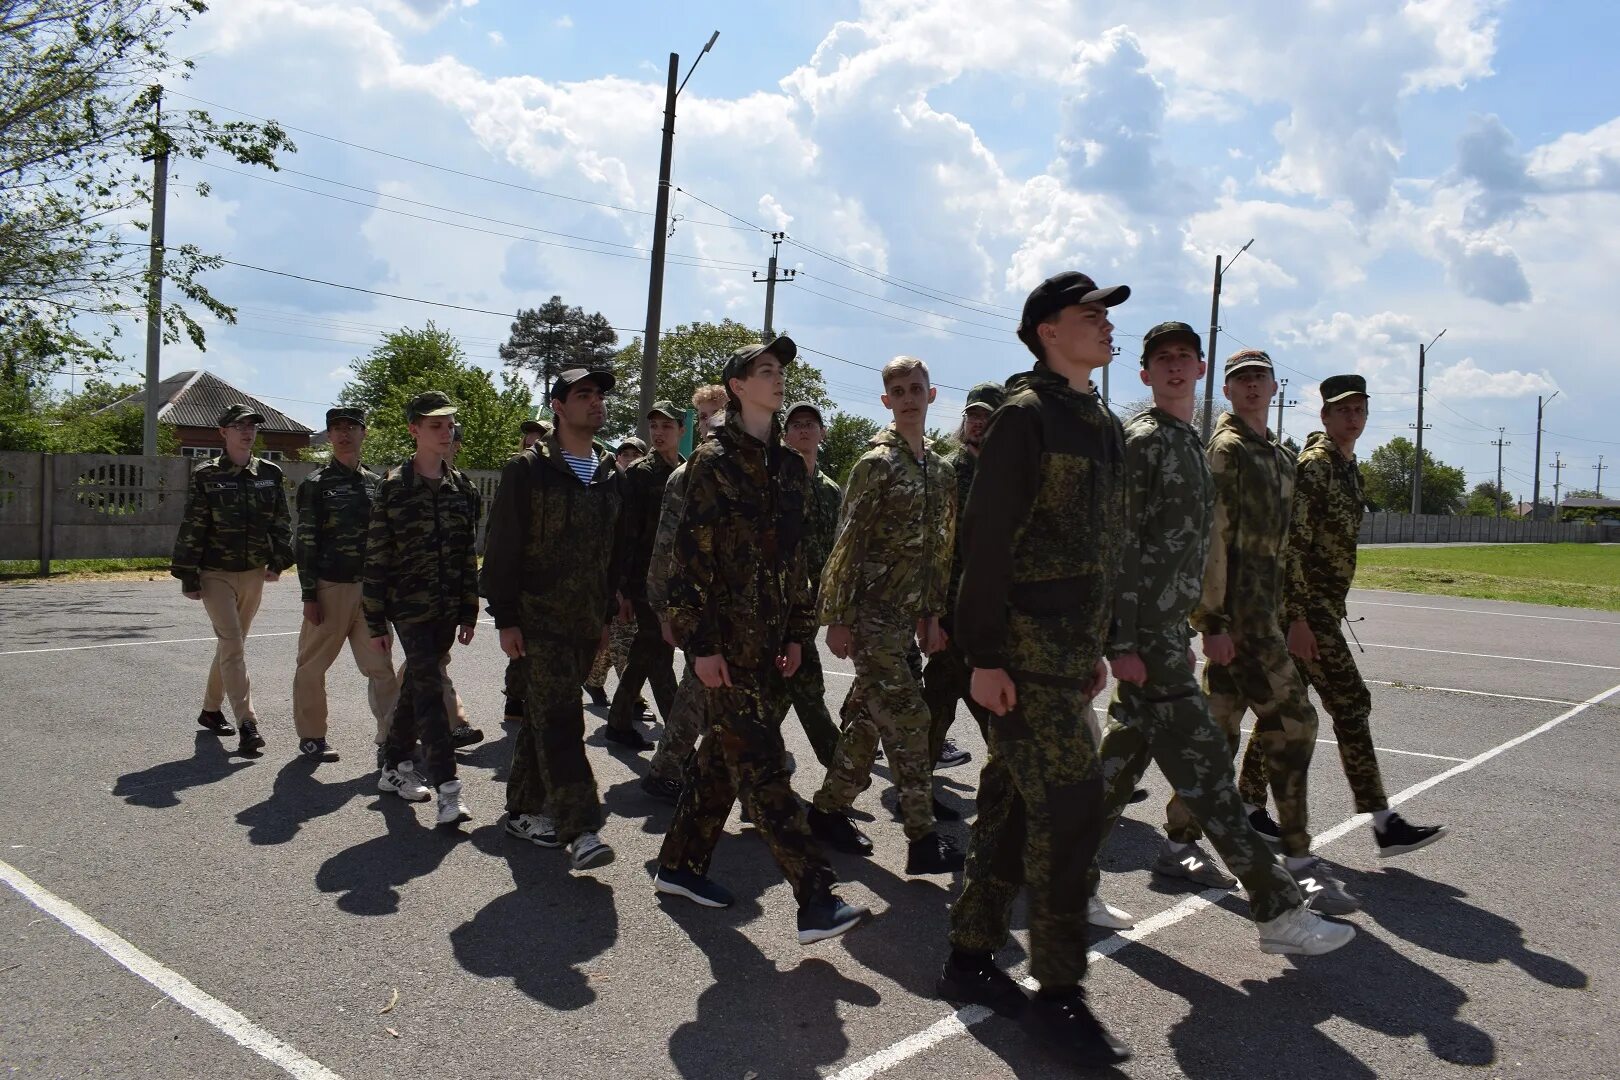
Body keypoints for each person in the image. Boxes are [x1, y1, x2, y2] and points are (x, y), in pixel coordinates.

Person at [1085, 322, 1356, 955]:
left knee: (1118, 769)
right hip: (1144, 639)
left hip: (1164, 634)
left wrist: (1186, 626)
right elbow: (1118, 542)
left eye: (1185, 357)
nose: (1175, 367)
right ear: (1145, 373)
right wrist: (1122, 640)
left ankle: (1060, 881)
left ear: (1199, 370)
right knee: (1207, 767)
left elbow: (1195, 551)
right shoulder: (1146, 442)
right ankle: (1277, 908)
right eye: (1162, 359)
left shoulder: (1187, 441)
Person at [935, 271, 1130, 1067]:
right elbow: (984, 542)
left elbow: (1104, 547)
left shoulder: (1104, 422)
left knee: (1015, 807)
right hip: (1014, 654)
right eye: (1091, 317)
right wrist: (980, 657)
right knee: (1074, 807)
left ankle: (970, 953)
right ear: (1049, 330)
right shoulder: (1026, 417)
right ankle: (1059, 991)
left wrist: (1098, 644)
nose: (1107, 327)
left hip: (1066, 656)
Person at [653, 337, 867, 945]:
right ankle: (815, 895)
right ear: (738, 387)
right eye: (763, 371)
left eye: (780, 371)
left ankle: (678, 866)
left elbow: (795, 561)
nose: (777, 379)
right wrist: (700, 645)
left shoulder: (787, 469)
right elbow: (688, 560)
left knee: (722, 758)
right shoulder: (710, 466)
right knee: (764, 763)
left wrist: (800, 631)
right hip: (724, 644)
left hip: (770, 641)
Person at [1177, 349, 1358, 913]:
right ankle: (1300, 861)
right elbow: (1212, 540)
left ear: (1276, 386)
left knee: (1219, 736)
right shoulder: (1227, 451)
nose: (1251, 386)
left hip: (1267, 618)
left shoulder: (1279, 456)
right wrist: (1210, 622)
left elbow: (1287, 547)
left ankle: (1177, 840)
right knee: (1296, 721)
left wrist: (1292, 612)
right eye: (1240, 380)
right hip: (1239, 622)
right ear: (1227, 391)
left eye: (1259, 377)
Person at [1246, 373, 1447, 858]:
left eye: (1359, 409)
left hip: (1321, 612)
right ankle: (1382, 820)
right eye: (1343, 410)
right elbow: (1291, 546)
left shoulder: (1349, 468)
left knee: (1282, 710)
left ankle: (1246, 805)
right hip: (1306, 613)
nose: (1352, 418)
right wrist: (1296, 620)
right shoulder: (1316, 467)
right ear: (1325, 416)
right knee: (1351, 704)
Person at [808, 357, 961, 875]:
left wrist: (932, 615)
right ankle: (922, 839)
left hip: (906, 619)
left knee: (867, 723)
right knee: (911, 719)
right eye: (898, 390)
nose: (909, 397)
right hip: (871, 615)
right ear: (886, 400)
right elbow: (848, 541)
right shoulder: (875, 463)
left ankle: (826, 811)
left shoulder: (940, 471)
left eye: (916, 388)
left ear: (932, 394)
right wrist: (837, 616)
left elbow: (940, 550)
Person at [483, 368, 622, 870]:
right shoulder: (529, 469)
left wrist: (606, 614)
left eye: (599, 395)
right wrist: (505, 618)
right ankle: (581, 828)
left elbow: (609, 552)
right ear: (558, 407)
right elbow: (502, 547)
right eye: (583, 395)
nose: (595, 402)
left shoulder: (609, 472)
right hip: (538, 619)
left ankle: (521, 811)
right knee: (563, 719)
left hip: (585, 622)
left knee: (546, 717)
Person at [363, 391, 479, 828]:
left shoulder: (462, 487)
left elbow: (468, 553)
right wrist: (375, 619)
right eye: (435, 425)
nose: (446, 432)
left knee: (415, 686)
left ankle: (393, 766)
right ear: (414, 430)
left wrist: (469, 609)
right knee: (430, 693)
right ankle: (449, 791)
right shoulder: (392, 487)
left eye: (449, 424)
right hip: (409, 608)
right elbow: (377, 557)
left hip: (447, 609)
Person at [170, 403, 295, 757]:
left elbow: (281, 521)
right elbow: (193, 525)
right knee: (233, 643)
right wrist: (188, 574)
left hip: (254, 571)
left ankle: (211, 711)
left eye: (252, 426)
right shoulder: (206, 474)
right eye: (239, 426)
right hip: (214, 572)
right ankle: (247, 724)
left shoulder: (269, 472)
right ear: (223, 433)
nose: (247, 431)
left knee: (231, 644)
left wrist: (280, 560)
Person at [290, 407, 399, 764]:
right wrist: (309, 595)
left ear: (364, 433)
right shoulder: (316, 484)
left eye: (351, 427)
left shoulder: (377, 483)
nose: (343, 434)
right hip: (330, 587)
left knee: (380, 667)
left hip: (370, 591)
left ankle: (390, 738)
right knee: (312, 665)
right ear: (329, 436)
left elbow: (387, 538)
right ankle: (312, 736)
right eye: (336, 428)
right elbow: (304, 542)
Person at [641, 392, 726, 802]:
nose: (711, 424)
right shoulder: (687, 475)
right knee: (695, 691)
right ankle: (666, 768)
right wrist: (661, 609)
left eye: (718, 416)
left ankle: (694, 767)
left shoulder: (744, 471)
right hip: (696, 605)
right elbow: (664, 548)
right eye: (705, 417)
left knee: (710, 694)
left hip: (734, 606)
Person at [921, 381, 1004, 774]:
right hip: (952, 615)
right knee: (982, 710)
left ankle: (915, 789)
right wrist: (930, 615)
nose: (978, 423)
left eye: (987, 416)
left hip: (989, 616)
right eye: (973, 415)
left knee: (943, 701)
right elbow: (932, 547)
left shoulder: (1009, 473)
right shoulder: (948, 471)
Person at [768, 400, 844, 768]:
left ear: (822, 433)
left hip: (812, 603)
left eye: (810, 424)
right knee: (801, 684)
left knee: (788, 685)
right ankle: (841, 775)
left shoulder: (831, 490)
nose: (803, 429)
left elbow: (838, 549)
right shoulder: (772, 480)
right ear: (784, 434)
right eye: (795, 424)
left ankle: (757, 773)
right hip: (775, 600)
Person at [606, 403, 686, 750]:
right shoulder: (638, 473)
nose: (658, 432)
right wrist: (622, 590)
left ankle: (619, 721)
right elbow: (624, 533)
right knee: (659, 650)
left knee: (645, 653)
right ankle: (679, 739)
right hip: (644, 579)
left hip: (676, 581)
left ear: (681, 430)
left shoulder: (687, 470)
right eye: (653, 425)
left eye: (666, 426)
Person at [583, 437, 646, 710]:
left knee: (616, 641)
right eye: (625, 453)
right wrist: (616, 587)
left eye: (636, 454)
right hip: (615, 579)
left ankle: (594, 680)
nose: (630, 458)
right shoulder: (610, 488)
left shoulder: (646, 486)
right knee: (626, 642)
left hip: (641, 579)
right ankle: (631, 699)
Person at [501, 417, 554, 723]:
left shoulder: (557, 472)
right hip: (520, 573)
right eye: (528, 436)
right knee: (521, 642)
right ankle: (514, 696)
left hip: (547, 576)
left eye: (539, 435)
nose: (532, 439)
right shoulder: (517, 469)